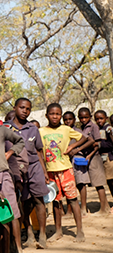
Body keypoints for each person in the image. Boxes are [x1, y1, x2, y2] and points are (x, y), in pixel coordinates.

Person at [39, 103, 87, 243]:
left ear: (61, 115)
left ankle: (79, 231)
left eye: (58, 114)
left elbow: (84, 138)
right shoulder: (41, 131)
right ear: (46, 115)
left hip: (66, 169)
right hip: (50, 171)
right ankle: (58, 231)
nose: (55, 116)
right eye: (52, 114)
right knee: (55, 202)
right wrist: (44, 171)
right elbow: (39, 151)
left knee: (72, 200)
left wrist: (73, 146)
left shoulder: (66, 129)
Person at [8, 98, 49, 249]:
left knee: (39, 200)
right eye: (22, 107)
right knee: (23, 202)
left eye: (28, 109)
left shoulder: (33, 128)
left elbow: (39, 151)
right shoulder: (7, 128)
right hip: (17, 169)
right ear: (15, 107)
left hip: (34, 167)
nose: (25, 111)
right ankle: (29, 232)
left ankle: (43, 234)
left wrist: (44, 171)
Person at [0, 96, 25, 253]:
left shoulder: (1, 130)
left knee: (10, 214)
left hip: (3, 175)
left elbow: (20, 142)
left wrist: (10, 152)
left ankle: (14, 247)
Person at [76, 107, 110, 215]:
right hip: (87, 158)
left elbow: (97, 143)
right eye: (81, 118)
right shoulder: (82, 127)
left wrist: (90, 155)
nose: (83, 119)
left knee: (98, 183)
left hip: (94, 157)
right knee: (95, 182)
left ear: (90, 117)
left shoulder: (93, 127)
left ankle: (104, 209)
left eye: (86, 117)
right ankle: (106, 207)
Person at [94, 110, 113, 202]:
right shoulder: (98, 129)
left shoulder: (108, 129)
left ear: (106, 118)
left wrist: (98, 144)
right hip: (104, 159)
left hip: (109, 159)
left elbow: (110, 144)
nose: (99, 121)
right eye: (97, 119)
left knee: (111, 181)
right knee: (109, 182)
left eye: (101, 118)